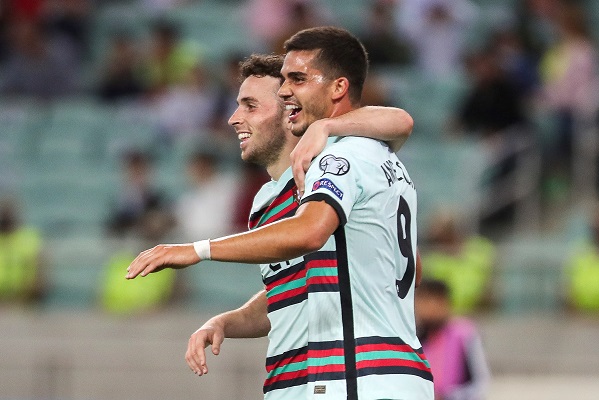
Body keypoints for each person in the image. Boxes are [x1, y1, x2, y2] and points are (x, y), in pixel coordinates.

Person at [127, 26, 432, 400]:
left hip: (353, 376)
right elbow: (301, 287)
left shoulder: (337, 158)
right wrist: (229, 320)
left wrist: (197, 249)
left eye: (251, 105)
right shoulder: (276, 194)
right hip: (343, 378)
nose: (234, 118)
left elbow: (309, 232)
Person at [415, 279, 490, 400]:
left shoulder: (465, 334)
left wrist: (446, 397)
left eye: (433, 301)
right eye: (422, 301)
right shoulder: (414, 338)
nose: (428, 308)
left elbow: (480, 384)